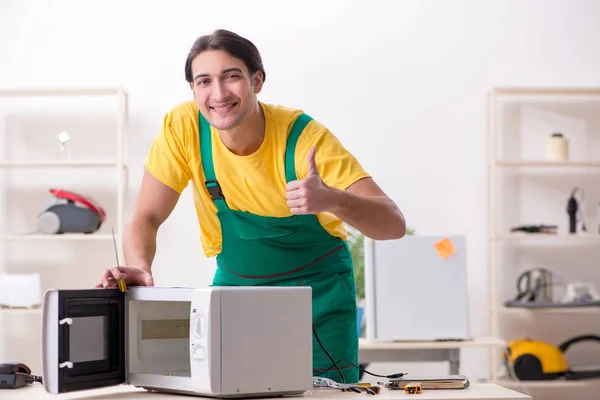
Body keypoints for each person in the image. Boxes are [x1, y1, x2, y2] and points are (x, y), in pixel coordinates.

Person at [96, 29, 406, 383]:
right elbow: (145, 216)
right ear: (194, 90)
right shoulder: (185, 129)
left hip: (318, 305)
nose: (219, 94)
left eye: (231, 77)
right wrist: (139, 268)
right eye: (204, 81)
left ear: (256, 80)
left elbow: (393, 224)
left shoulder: (304, 138)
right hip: (235, 297)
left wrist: (335, 199)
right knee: (226, 384)